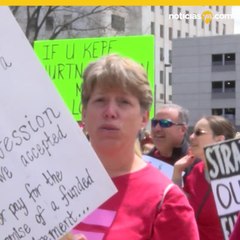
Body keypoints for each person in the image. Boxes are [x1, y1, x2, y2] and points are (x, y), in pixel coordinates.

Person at [62, 54, 199, 240]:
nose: (110, 112)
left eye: (123, 102)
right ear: (84, 113)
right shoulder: (51, 186)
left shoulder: (167, 202)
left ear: (144, 118)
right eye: (100, 100)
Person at [172, 115, 236, 240]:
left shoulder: (235, 176)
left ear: (219, 140)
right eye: (192, 132)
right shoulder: (196, 170)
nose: (191, 137)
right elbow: (183, 205)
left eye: (198, 133)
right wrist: (177, 173)